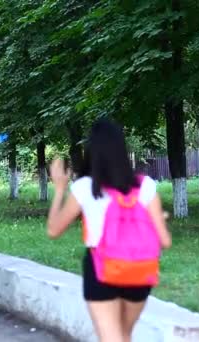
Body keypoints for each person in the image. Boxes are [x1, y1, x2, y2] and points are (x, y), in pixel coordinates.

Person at [46, 118, 172, 342]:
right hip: (140, 272)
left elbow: (54, 230)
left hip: (101, 269)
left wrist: (59, 189)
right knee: (124, 336)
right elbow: (165, 241)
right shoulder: (146, 186)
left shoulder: (85, 188)